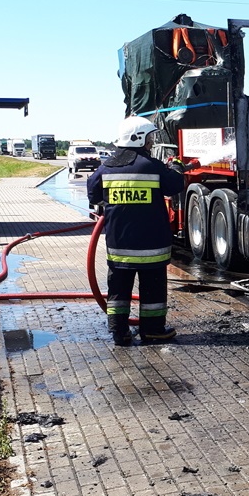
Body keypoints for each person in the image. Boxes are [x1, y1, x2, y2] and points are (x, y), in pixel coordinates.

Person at [87, 117, 185, 345]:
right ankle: (152, 331)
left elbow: (94, 194)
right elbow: (175, 185)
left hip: (119, 246)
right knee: (153, 292)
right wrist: (177, 167)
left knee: (118, 292)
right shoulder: (151, 166)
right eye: (150, 138)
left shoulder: (106, 167)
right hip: (151, 247)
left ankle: (119, 333)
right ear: (139, 138)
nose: (151, 142)